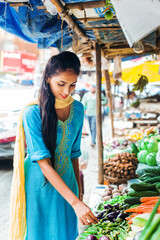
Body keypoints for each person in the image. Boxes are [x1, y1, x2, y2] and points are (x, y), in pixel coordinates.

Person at [9, 51, 98, 240]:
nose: (67, 91)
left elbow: (74, 154)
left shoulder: (79, 109)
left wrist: (78, 194)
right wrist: (75, 202)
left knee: (66, 233)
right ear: (48, 78)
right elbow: (43, 163)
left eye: (73, 84)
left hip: (68, 183)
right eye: (61, 84)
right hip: (39, 185)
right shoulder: (32, 112)